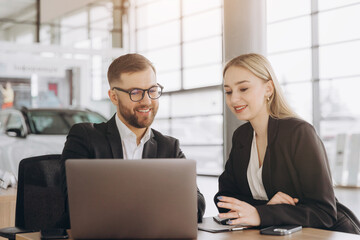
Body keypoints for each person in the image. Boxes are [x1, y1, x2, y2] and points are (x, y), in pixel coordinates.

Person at [214, 53, 360, 234]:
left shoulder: (299, 133)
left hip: (328, 234)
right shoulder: (241, 136)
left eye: (243, 89)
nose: (233, 99)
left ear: (268, 89)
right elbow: (224, 199)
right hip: (277, 234)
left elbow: (324, 212)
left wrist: (261, 213)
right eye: (228, 91)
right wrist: (267, 208)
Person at [61, 53, 205, 224]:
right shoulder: (85, 137)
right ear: (114, 96)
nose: (147, 101)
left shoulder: (169, 146)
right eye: (135, 92)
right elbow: (74, 203)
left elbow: (197, 204)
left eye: (152, 90)